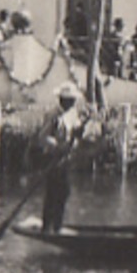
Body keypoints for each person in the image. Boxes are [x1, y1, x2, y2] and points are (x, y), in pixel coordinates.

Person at [38, 82, 86, 233]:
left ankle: (57, 225)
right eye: (69, 100)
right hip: (52, 159)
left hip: (65, 160)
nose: (73, 102)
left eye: (73, 100)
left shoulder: (72, 114)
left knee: (64, 192)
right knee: (53, 192)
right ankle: (47, 226)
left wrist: (80, 132)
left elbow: (76, 133)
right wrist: (58, 146)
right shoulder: (53, 115)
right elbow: (43, 137)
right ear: (62, 100)